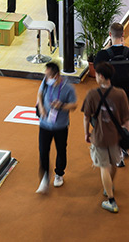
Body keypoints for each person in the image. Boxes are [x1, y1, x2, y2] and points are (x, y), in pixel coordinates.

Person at [82, 62, 129, 213]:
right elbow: (126, 119)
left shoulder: (92, 94)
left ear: (102, 76)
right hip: (116, 136)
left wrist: (86, 133)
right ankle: (109, 186)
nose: (96, 77)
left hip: (100, 136)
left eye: (97, 75)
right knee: (114, 162)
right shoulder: (121, 94)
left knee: (103, 166)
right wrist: (126, 134)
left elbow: (86, 117)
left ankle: (111, 200)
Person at [35, 62, 77, 193]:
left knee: (61, 150)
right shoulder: (45, 81)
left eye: (49, 76)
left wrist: (62, 106)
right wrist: (41, 107)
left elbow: (74, 105)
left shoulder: (68, 88)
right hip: (44, 125)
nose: (47, 78)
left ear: (56, 76)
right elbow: (39, 94)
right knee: (43, 151)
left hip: (61, 126)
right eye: (46, 75)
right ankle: (45, 177)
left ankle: (59, 173)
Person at [94, 22, 129, 112]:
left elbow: (96, 65)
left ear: (110, 34)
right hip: (127, 92)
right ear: (123, 34)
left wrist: (106, 48)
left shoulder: (103, 54)